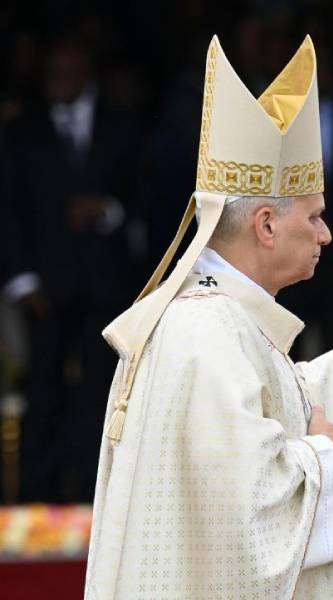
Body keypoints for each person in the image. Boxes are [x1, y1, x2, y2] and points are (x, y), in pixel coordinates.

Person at [85, 36, 333, 598]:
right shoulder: (205, 333)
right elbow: (243, 517)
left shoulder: (220, 322)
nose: (326, 235)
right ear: (266, 225)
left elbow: (275, 409)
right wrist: (322, 456)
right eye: (314, 217)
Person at [0, 35, 144, 502]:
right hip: (46, 288)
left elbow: (146, 201)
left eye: (67, 72)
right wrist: (22, 281)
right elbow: (9, 208)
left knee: (101, 394)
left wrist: (107, 211)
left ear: (86, 72)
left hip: (105, 286)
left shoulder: (119, 126)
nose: (58, 82)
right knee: (43, 389)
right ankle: (36, 494)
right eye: (52, 73)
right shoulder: (23, 130)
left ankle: (93, 494)